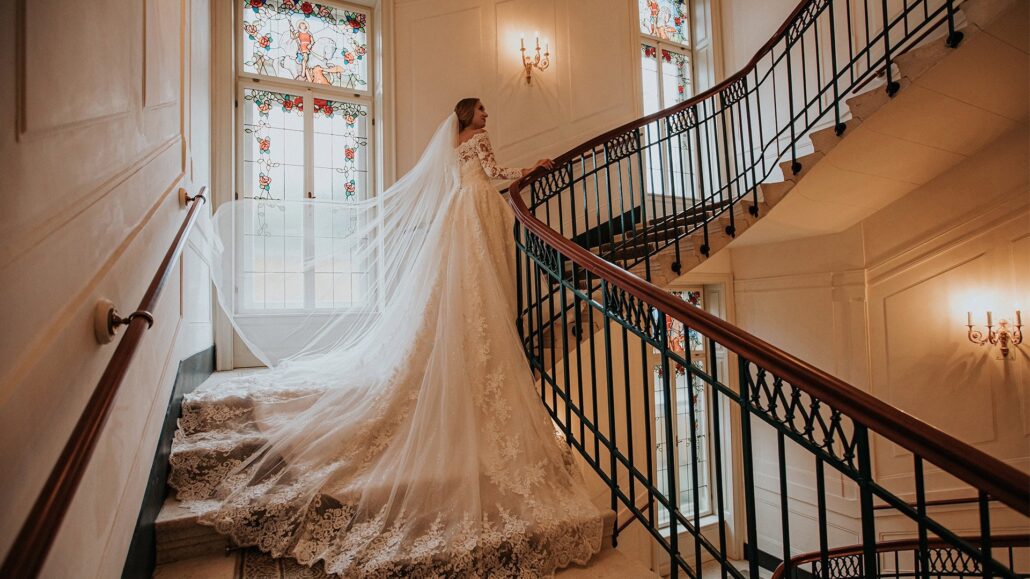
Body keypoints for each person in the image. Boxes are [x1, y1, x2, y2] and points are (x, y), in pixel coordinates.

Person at [172, 100, 605, 577]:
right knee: (480, 291)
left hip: (458, 213)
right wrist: (534, 167)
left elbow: (470, 175)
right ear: (469, 115)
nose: (488, 113)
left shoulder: (453, 144)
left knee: (461, 293)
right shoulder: (477, 141)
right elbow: (497, 172)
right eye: (482, 108)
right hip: (478, 210)